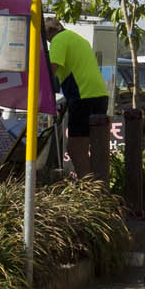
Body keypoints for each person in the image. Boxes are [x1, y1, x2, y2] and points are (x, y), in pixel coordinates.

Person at [44, 18, 109, 177]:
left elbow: (49, 72)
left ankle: (87, 188)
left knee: (75, 147)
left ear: (49, 32)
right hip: (100, 94)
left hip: (83, 95)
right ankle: (100, 187)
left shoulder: (58, 40)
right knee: (95, 145)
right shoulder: (78, 38)